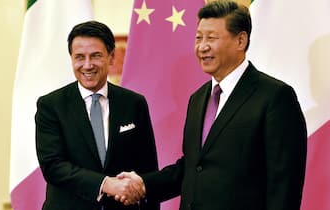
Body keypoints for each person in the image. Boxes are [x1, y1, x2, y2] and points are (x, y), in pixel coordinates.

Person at [116, 1, 308, 209]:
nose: (202, 46)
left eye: (212, 38)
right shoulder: (198, 98)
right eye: (198, 37)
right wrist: (144, 185)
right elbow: (192, 167)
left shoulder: (275, 97)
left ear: (241, 40)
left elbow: (284, 185)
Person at [35, 20, 159, 210]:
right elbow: (53, 167)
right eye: (79, 57)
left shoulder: (134, 103)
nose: (87, 65)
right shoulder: (51, 106)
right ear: (71, 59)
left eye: (95, 56)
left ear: (111, 57)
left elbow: (148, 170)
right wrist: (105, 184)